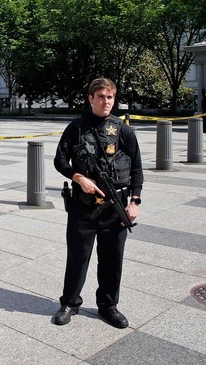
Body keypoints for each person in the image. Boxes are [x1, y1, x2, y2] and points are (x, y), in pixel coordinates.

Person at [53, 78, 143, 328]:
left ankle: (108, 306)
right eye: (101, 96)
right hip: (83, 205)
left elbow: (136, 167)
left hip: (115, 206)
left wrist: (134, 201)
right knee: (78, 256)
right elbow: (60, 160)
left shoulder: (122, 129)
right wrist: (78, 177)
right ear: (90, 98)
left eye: (110, 97)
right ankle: (69, 303)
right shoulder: (76, 128)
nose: (106, 101)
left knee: (112, 258)